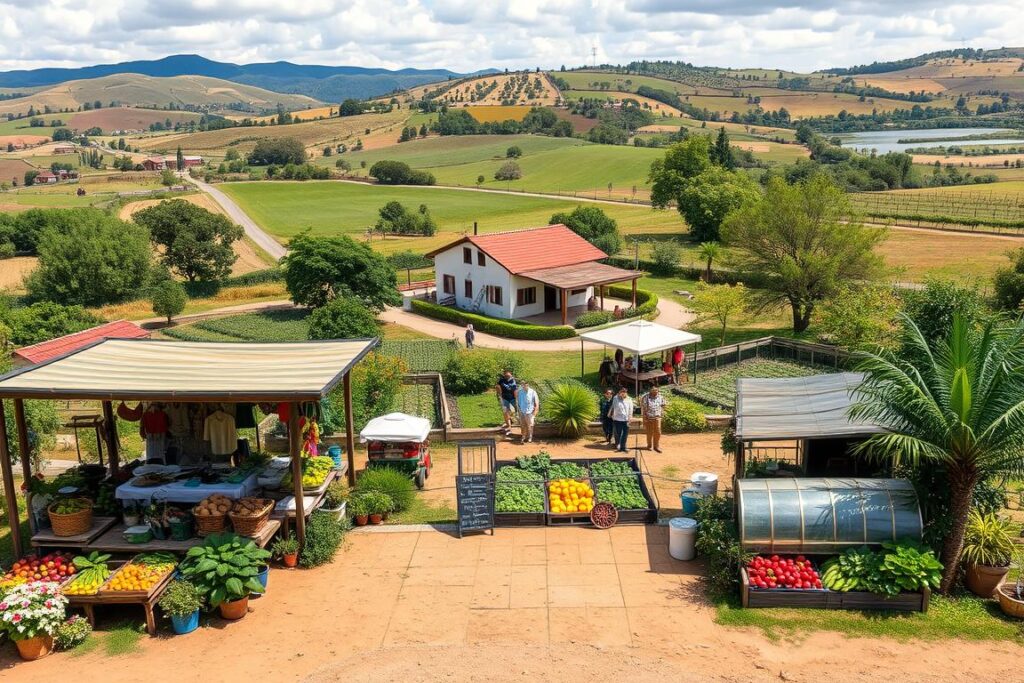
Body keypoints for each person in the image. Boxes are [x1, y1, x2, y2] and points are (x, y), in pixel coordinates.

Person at [640, 385, 667, 452]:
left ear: (658, 390)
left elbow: (663, 405)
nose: (655, 391)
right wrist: (644, 417)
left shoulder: (661, 397)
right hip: (649, 417)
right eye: (653, 390)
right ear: (650, 391)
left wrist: (662, 412)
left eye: (656, 390)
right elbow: (643, 408)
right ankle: (649, 446)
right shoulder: (646, 397)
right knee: (649, 432)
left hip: (657, 417)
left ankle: (656, 446)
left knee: (658, 432)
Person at [608, 387, 634, 453]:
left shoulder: (629, 399)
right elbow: (613, 407)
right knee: (618, 433)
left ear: (626, 393)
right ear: (619, 393)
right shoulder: (615, 398)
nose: (622, 395)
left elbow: (631, 409)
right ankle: (619, 445)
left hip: (626, 419)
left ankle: (624, 447)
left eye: (624, 394)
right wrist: (612, 416)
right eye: (621, 393)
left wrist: (630, 418)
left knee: (625, 434)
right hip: (617, 419)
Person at [496, 369, 518, 433]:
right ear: (504, 375)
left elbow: (516, 390)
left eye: (508, 375)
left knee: (518, 410)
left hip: (513, 398)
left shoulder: (514, 380)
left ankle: (518, 422)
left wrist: (517, 398)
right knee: (505, 412)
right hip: (505, 399)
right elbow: (497, 386)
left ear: (511, 375)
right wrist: (500, 394)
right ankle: (509, 426)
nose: (507, 377)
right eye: (505, 375)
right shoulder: (501, 381)